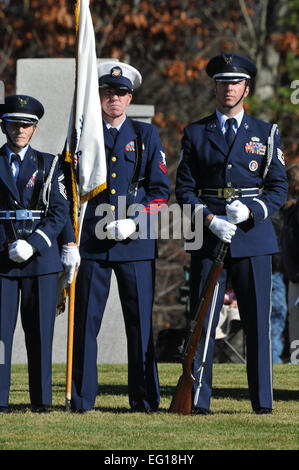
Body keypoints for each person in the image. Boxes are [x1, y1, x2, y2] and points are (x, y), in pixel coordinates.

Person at [176, 53, 288, 414]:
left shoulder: (266, 133)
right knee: (203, 321)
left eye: (235, 82)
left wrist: (253, 209)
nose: (229, 89)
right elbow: (184, 189)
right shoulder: (194, 132)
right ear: (215, 87)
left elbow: (278, 187)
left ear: (246, 88)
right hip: (210, 235)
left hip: (253, 235)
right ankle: (197, 398)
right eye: (223, 82)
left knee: (257, 322)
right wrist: (209, 220)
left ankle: (263, 401)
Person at [71, 61, 170, 412]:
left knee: (140, 324)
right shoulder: (84, 134)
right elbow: (67, 190)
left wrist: (135, 221)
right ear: (99, 96)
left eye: (121, 93)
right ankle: (81, 399)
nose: (114, 99)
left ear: (130, 98)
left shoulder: (146, 136)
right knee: (85, 324)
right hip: (93, 242)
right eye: (108, 92)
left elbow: (160, 194)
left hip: (135, 243)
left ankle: (144, 399)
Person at [0, 94, 77, 412]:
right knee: (1, 335)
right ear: (3, 126)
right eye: (14, 124)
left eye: (27, 125)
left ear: (34, 129)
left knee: (41, 333)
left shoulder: (51, 164)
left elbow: (59, 211)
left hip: (40, 258)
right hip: (1, 259)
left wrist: (35, 243)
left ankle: (42, 400)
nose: (20, 129)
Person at [281, 164, 299, 359]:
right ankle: (296, 359)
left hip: (294, 271)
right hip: (292, 272)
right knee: (294, 317)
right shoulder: (290, 209)